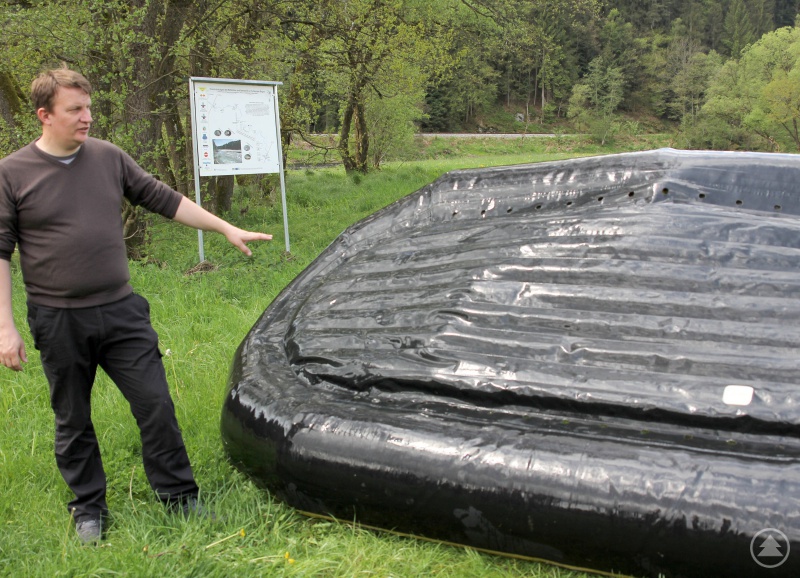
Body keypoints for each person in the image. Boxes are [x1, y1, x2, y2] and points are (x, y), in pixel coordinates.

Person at [0, 67, 272, 543]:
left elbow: (165, 199)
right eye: (75, 110)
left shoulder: (108, 157)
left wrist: (224, 227)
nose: (87, 117)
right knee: (73, 417)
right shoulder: (11, 173)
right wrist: (5, 328)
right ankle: (88, 509)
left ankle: (180, 497)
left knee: (156, 405)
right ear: (45, 115)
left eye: (88, 107)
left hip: (121, 312)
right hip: (58, 319)